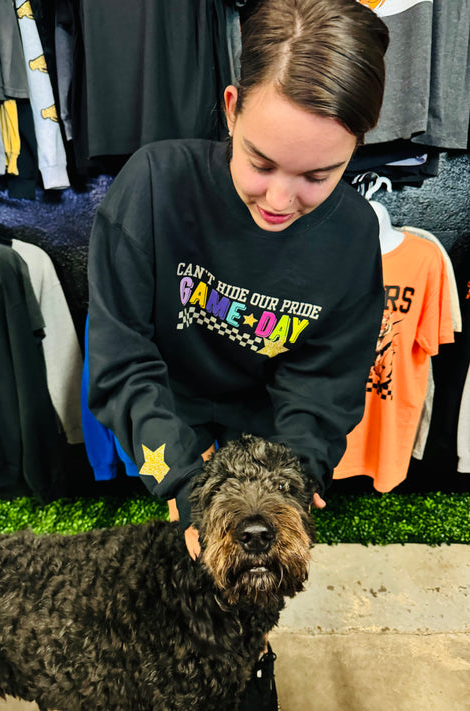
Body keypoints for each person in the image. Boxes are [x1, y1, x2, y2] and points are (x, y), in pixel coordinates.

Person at [88, 0, 388, 707]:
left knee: (255, 576)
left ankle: (249, 659)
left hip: (269, 435)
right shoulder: (153, 187)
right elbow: (123, 355)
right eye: (260, 162)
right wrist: (183, 486)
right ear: (230, 108)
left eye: (318, 175)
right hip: (165, 414)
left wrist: (296, 473)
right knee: (170, 584)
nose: (280, 198)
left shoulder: (349, 240)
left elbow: (323, 382)